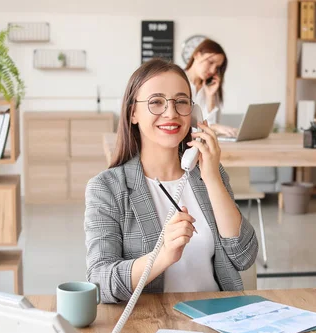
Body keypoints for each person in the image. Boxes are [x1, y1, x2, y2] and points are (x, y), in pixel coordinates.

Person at [84, 59, 258, 303]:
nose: (171, 113)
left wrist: (212, 178)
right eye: (156, 102)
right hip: (150, 324)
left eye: (181, 102)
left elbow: (244, 257)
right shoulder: (107, 188)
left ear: (193, 113)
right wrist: (162, 255)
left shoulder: (207, 174)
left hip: (218, 318)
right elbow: (99, 282)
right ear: (133, 112)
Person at [184, 39, 236, 137]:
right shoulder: (178, 81)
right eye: (211, 62)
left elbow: (213, 124)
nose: (212, 70)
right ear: (197, 55)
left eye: (217, 67)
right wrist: (214, 127)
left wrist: (210, 96)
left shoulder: (210, 87)